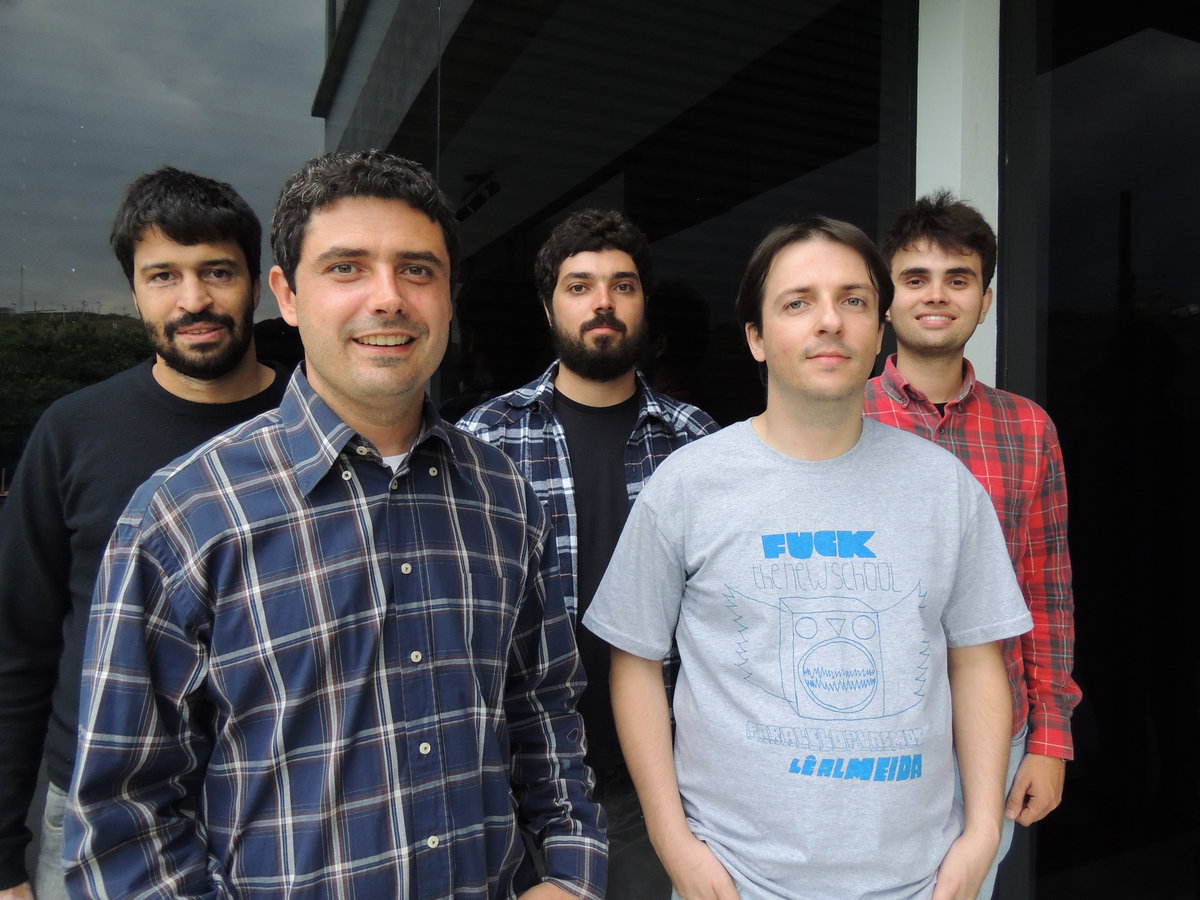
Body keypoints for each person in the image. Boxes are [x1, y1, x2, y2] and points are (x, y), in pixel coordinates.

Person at [63, 150, 606, 900]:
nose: (388, 298)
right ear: (286, 295)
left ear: (448, 295)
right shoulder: (184, 518)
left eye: (417, 269)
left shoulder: (505, 498)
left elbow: (544, 711)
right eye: (346, 267)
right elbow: (124, 819)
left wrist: (572, 873)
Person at [584, 216, 1034, 900]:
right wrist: (674, 844)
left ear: (878, 330)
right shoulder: (687, 485)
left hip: (919, 881)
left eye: (853, 300)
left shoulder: (947, 489)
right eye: (798, 302)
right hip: (735, 881)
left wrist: (978, 840)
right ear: (756, 338)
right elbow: (635, 664)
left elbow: (977, 663)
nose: (830, 321)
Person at [0, 167, 288, 900]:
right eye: (163, 276)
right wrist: (1, 859)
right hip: (98, 810)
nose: (193, 300)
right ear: (134, 290)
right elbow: (17, 649)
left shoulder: (316, 423)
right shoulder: (72, 434)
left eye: (217, 271)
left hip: (285, 806)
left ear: (257, 286)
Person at [458, 209, 719, 898]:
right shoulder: (484, 440)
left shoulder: (697, 442)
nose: (603, 301)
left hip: (656, 781)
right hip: (521, 780)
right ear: (549, 308)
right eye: (579, 286)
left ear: (643, 305)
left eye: (622, 285)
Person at [863, 191, 1080, 897]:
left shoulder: (1029, 429)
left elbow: (1046, 590)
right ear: (885, 300)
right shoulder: (840, 413)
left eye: (958, 279)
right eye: (915, 278)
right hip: (868, 733)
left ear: (984, 302)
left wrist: (1050, 737)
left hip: (994, 737)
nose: (937, 295)